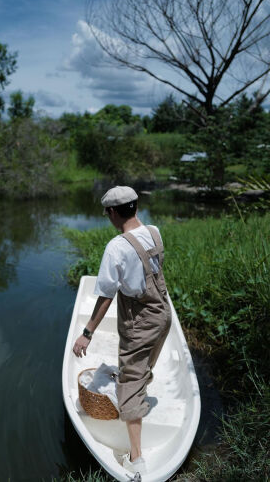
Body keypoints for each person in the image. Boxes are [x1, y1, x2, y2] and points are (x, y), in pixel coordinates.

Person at [72, 186, 171, 474]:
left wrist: (87, 332)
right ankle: (138, 385)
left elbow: (106, 296)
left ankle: (136, 458)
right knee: (142, 367)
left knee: (128, 381)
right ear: (136, 206)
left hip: (139, 319)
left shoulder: (116, 247)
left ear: (113, 212)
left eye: (108, 213)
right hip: (161, 313)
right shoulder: (154, 231)